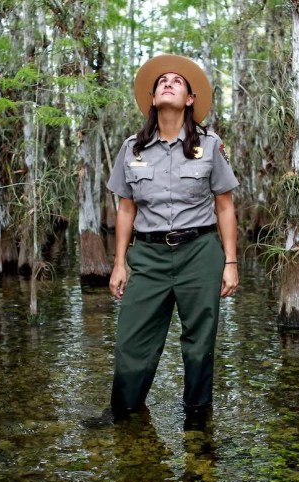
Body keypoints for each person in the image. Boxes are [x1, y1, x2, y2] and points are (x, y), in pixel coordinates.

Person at [106, 54, 239, 420]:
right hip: (147, 257)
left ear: (190, 99)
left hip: (200, 252)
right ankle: (124, 411)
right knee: (131, 341)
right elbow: (126, 208)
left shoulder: (209, 146)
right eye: (162, 81)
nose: (168, 83)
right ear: (152, 99)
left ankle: (197, 418)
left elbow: (224, 206)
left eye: (177, 81)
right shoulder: (132, 148)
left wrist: (230, 262)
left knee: (198, 345)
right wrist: (119, 264)